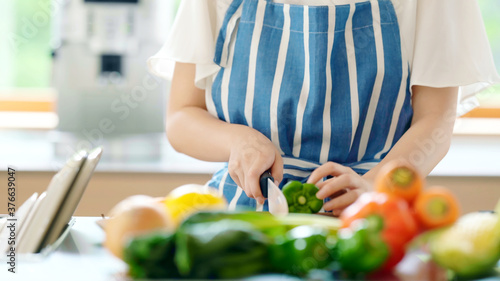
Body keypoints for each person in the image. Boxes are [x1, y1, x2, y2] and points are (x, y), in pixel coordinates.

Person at [149, 0, 500, 214]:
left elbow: (436, 121)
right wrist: (237, 141)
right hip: (244, 214)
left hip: (372, 218)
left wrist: (375, 187)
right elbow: (182, 115)